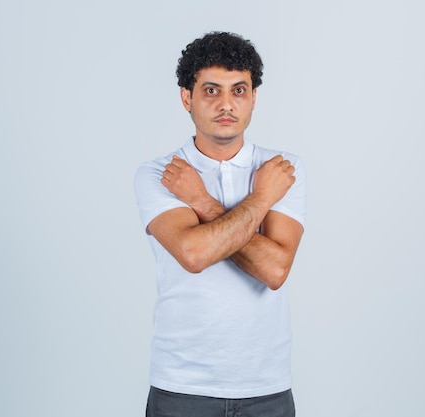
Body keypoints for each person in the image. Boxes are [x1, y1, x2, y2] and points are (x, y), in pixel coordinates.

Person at [134, 31, 306, 417]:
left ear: (253, 98)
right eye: (211, 90)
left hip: (267, 389)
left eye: (239, 90)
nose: (226, 104)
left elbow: (275, 270)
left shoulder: (281, 170)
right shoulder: (161, 174)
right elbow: (194, 253)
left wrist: (200, 202)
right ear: (187, 98)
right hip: (182, 388)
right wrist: (262, 200)